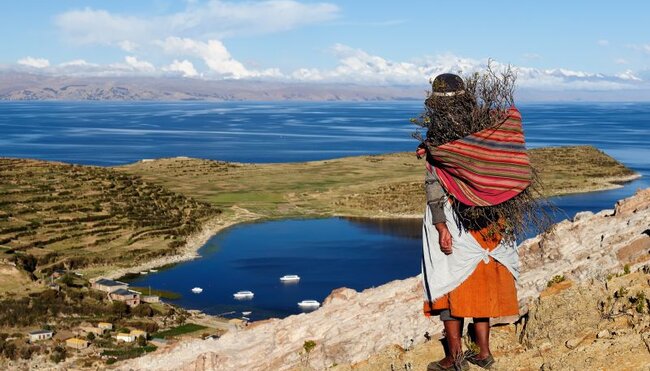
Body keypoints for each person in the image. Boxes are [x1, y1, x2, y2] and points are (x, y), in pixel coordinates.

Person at [418, 73, 529, 371]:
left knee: (449, 282)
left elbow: (435, 183)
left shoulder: (440, 133)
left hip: (455, 216)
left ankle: (454, 358)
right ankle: (483, 353)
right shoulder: (486, 124)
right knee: (481, 280)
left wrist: (441, 226)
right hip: (492, 215)